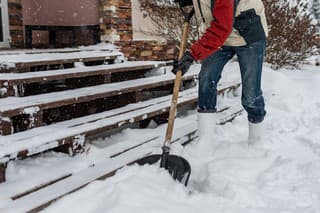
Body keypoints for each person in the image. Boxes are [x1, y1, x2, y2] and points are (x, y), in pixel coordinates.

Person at [172, 0, 268, 145]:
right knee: (206, 79)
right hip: (220, 36)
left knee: (250, 93)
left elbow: (222, 26)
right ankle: (205, 140)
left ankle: (257, 140)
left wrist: (192, 55)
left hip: (248, 34)